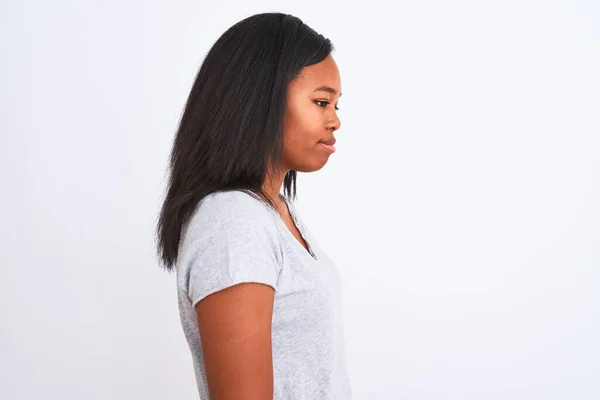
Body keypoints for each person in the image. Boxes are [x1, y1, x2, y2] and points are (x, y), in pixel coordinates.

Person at [156, 12, 351, 399]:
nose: (335, 121)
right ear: (260, 98)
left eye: (336, 105)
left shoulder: (272, 210)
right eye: (321, 101)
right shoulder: (233, 222)